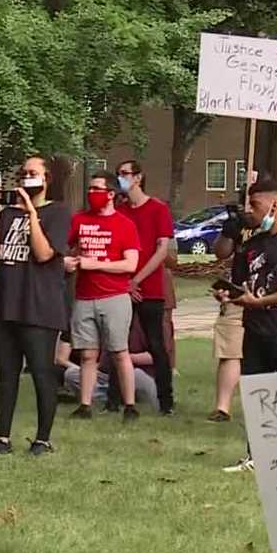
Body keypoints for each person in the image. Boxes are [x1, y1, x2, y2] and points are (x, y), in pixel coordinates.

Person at [217, 178, 277, 473]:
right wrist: (229, 293)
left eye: (255, 205)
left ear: (275, 205)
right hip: (254, 331)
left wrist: (262, 301)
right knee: (256, 397)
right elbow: (242, 282)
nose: (251, 211)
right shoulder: (251, 244)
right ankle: (255, 456)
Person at [0, 155, 71, 456]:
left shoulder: (58, 212)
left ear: (47, 180)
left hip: (39, 306)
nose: (26, 177)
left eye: (33, 173)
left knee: (41, 371)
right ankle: (3, 436)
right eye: (22, 173)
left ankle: (42, 439)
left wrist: (31, 213)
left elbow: (44, 253)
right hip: (4, 303)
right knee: (5, 373)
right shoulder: (8, 214)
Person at [64, 170, 141, 421]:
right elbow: (65, 247)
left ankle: (129, 405)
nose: (91, 194)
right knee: (87, 354)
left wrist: (94, 264)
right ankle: (85, 405)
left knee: (119, 352)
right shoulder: (79, 220)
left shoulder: (125, 225)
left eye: (97, 190)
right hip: (84, 297)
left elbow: (130, 265)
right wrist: (68, 262)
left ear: (110, 194)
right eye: (90, 189)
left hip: (115, 297)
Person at [115, 160, 176, 415]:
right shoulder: (120, 210)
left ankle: (166, 401)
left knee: (156, 344)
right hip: (122, 287)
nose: (121, 179)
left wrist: (137, 280)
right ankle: (116, 398)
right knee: (117, 343)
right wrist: (124, 283)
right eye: (118, 175)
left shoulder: (158, 209)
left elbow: (162, 250)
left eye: (125, 174)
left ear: (138, 177)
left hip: (149, 288)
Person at [60, 313, 159, 410]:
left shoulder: (144, 324)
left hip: (135, 373)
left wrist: (125, 358)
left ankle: (127, 397)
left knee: (137, 374)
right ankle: (108, 398)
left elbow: (157, 357)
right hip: (106, 376)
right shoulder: (107, 324)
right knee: (71, 374)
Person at [208, 204, 247, 423]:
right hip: (237, 292)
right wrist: (228, 231)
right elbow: (221, 252)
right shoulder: (238, 224)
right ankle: (222, 408)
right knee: (229, 350)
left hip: (269, 291)